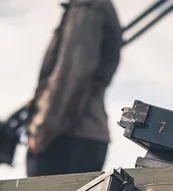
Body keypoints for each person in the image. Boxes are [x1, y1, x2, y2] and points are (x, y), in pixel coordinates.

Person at [26, 0, 122, 177]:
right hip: (78, 137)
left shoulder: (88, 6)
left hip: (66, 138)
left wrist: (42, 133)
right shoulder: (92, 6)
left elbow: (71, 75)